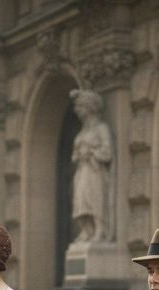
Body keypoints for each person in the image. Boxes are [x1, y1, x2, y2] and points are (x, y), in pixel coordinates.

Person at [70, 88, 114, 243]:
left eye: (81, 106)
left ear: (90, 107)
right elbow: (74, 156)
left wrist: (91, 153)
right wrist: (79, 155)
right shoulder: (82, 132)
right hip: (82, 171)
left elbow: (107, 152)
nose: (77, 110)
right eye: (77, 106)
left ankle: (99, 230)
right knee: (81, 201)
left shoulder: (101, 128)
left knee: (95, 199)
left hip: (95, 172)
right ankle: (87, 231)